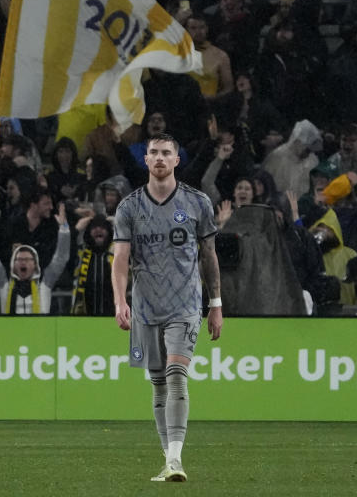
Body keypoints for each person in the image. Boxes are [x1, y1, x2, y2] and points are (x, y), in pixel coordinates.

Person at [111, 133, 222, 482]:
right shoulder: (129, 207)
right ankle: (167, 457)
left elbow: (209, 255)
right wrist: (120, 300)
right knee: (158, 383)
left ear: (177, 160)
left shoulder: (197, 202)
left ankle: (176, 459)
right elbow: (121, 259)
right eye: (153, 153)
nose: (159, 158)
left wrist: (215, 303)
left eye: (166, 153)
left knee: (176, 375)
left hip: (186, 305)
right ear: (146, 160)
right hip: (145, 307)